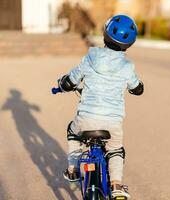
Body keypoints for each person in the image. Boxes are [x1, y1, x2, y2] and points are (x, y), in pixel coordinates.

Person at [58, 15, 144, 199]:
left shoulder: (90, 57)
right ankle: (116, 185)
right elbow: (137, 88)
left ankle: (73, 169)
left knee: (73, 132)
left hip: (86, 119)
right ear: (129, 44)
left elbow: (71, 80)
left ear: (105, 34)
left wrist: (63, 84)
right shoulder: (128, 66)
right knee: (115, 150)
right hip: (112, 122)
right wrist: (138, 87)